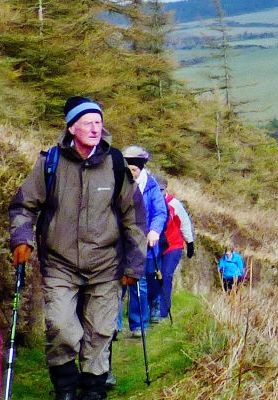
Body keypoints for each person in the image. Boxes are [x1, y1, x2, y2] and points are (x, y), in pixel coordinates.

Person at [9, 96, 146, 400]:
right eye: (88, 123)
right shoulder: (51, 163)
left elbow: (133, 218)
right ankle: (66, 389)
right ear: (72, 127)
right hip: (60, 263)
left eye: (99, 122)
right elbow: (24, 205)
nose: (96, 128)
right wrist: (21, 238)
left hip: (106, 264)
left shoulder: (114, 163)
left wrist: (135, 265)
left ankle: (93, 390)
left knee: (100, 331)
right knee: (61, 328)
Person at [121, 145, 167, 339]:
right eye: (128, 168)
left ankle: (139, 324)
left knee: (139, 283)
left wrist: (155, 231)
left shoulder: (151, 185)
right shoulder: (118, 181)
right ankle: (112, 325)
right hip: (121, 240)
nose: (131, 172)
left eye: (134, 169)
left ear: (140, 168)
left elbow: (160, 212)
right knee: (116, 284)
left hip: (144, 242)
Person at [154, 175, 195, 322]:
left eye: (161, 189)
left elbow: (184, 223)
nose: (158, 192)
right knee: (153, 277)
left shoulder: (174, 204)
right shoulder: (150, 202)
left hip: (173, 245)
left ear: (165, 189)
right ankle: (153, 308)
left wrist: (190, 243)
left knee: (166, 275)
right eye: (156, 189)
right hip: (155, 246)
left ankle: (163, 311)